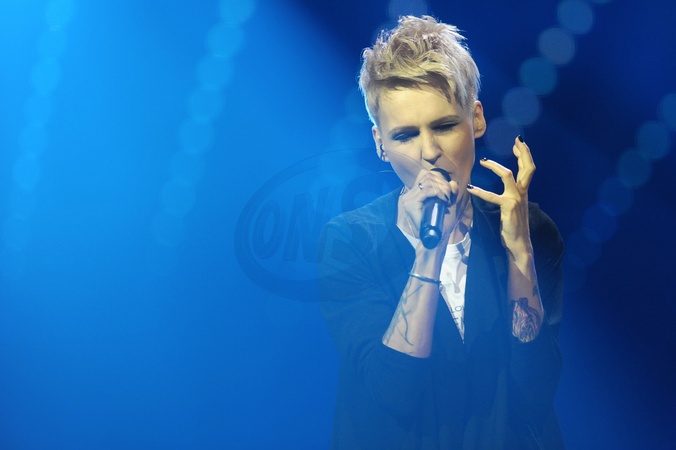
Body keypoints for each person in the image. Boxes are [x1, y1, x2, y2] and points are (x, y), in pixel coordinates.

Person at [318, 15, 565, 449]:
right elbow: (394, 393)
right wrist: (428, 251)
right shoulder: (350, 242)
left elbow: (534, 396)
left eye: (445, 126)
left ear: (477, 119)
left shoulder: (531, 232)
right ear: (379, 143)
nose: (429, 152)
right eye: (405, 135)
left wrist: (519, 254)